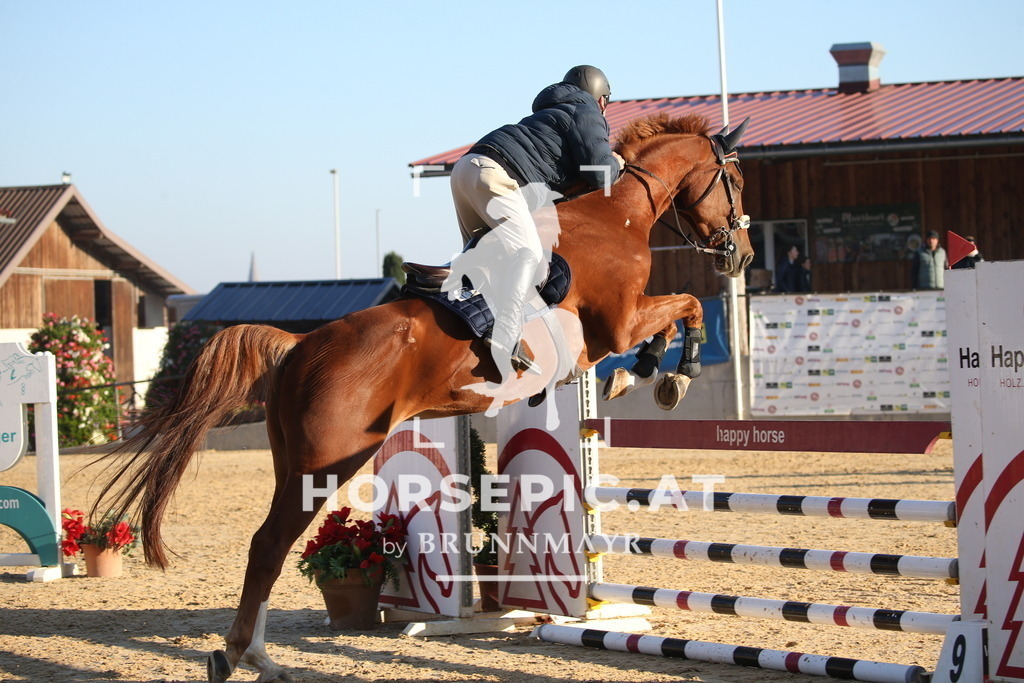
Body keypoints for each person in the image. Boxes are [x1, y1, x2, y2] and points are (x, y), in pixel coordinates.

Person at [447, 65, 625, 381]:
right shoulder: (586, 110)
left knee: (481, 263)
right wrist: (618, 164)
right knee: (527, 252)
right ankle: (505, 336)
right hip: (495, 174)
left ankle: (459, 335)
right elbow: (599, 173)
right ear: (601, 99)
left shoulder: (554, 111)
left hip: (465, 170)